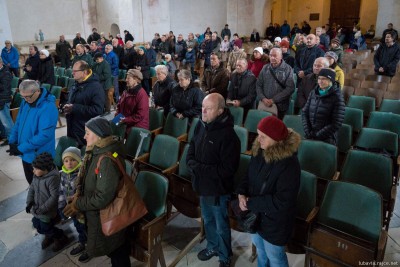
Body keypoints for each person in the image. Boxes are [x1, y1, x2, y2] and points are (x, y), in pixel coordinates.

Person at [63, 117, 131, 267]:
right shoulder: (95, 152)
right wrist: (78, 195)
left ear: (99, 135)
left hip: (109, 217)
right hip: (99, 216)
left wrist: (78, 203)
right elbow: (92, 182)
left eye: (87, 133)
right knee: (114, 250)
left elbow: (102, 197)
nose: (84, 136)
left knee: (117, 251)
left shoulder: (106, 160)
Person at [236, 116, 301, 267]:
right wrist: (241, 193)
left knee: (275, 258)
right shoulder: (259, 151)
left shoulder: (289, 164)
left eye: (263, 136)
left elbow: (282, 201)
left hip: (275, 223)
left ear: (277, 139)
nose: (259, 140)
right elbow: (248, 175)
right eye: (258, 134)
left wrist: (251, 203)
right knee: (261, 252)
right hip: (256, 217)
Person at [187, 93, 240, 267]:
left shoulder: (229, 136)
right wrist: (190, 161)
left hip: (218, 189)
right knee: (207, 220)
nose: (203, 111)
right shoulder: (201, 125)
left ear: (220, 111)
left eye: (208, 109)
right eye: (202, 107)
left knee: (220, 224)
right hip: (202, 185)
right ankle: (213, 246)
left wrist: (199, 168)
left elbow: (227, 170)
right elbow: (192, 145)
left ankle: (225, 256)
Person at [8, 80, 58, 184]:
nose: (25, 99)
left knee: (42, 187)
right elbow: (18, 122)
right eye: (23, 97)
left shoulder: (48, 107)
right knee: (31, 182)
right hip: (26, 153)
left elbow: (44, 135)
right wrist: (12, 141)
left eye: (28, 96)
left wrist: (20, 148)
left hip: (40, 156)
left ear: (38, 91)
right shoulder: (25, 102)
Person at [26, 152, 68, 252]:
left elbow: (54, 197)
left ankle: (60, 237)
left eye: (36, 169)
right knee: (36, 224)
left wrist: (42, 209)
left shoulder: (52, 178)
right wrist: (29, 203)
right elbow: (31, 189)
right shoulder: (37, 176)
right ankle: (50, 236)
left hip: (47, 210)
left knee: (45, 227)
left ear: (45, 169)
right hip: (36, 208)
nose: (33, 171)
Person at [57, 147, 90, 263]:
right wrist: (61, 206)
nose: (69, 163)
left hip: (82, 209)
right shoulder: (63, 174)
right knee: (78, 227)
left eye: (72, 160)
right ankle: (82, 242)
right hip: (71, 209)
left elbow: (84, 192)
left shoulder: (82, 174)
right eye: (66, 161)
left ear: (78, 160)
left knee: (87, 228)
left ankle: (90, 249)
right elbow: (61, 191)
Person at [64, 60, 105, 147]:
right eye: (72, 71)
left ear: (85, 72)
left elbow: (98, 110)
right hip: (72, 126)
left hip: (84, 130)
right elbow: (71, 100)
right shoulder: (76, 83)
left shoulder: (96, 87)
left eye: (75, 71)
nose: (72, 73)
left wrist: (74, 108)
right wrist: (67, 106)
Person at [302, 68, 345, 145]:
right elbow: (305, 112)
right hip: (311, 134)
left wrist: (318, 135)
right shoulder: (313, 93)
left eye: (324, 79)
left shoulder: (337, 96)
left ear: (331, 80)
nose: (320, 81)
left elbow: (336, 122)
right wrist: (308, 131)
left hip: (327, 138)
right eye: (319, 78)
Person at [257, 48, 295, 119]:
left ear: (281, 56)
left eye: (275, 56)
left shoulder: (288, 69)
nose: (272, 58)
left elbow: (290, 88)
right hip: (264, 104)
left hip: (280, 106)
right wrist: (263, 98)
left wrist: (274, 100)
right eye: (270, 55)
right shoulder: (265, 68)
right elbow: (258, 84)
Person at [116, 69, 149, 135]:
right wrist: (117, 116)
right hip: (125, 121)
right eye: (126, 78)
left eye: (128, 78)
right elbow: (119, 105)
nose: (126, 80)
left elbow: (139, 116)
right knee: (111, 127)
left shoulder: (142, 94)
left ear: (136, 80)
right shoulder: (126, 91)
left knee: (119, 135)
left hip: (138, 126)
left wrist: (124, 120)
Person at [0, 58, 13, 146]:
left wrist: (1, 101)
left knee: (6, 121)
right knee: (2, 120)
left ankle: (12, 138)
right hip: (1, 98)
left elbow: (5, 90)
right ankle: (5, 136)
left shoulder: (5, 73)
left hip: (3, 100)